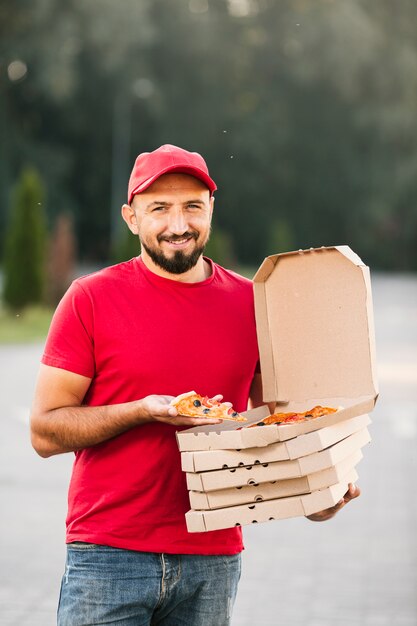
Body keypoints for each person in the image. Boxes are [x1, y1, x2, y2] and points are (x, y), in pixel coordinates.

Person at [30, 144, 360, 626]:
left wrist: (319, 497)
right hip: (108, 555)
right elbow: (43, 433)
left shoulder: (254, 305)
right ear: (130, 217)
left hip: (213, 559)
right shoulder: (91, 299)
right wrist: (141, 410)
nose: (178, 225)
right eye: (159, 208)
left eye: (192, 207)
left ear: (211, 210)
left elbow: (276, 431)